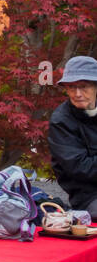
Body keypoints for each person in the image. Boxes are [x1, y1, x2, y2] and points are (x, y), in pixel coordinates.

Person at [48, 55, 97, 216]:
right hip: (88, 195)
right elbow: (80, 168)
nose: (77, 93)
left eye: (83, 86)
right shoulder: (61, 121)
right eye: (71, 87)